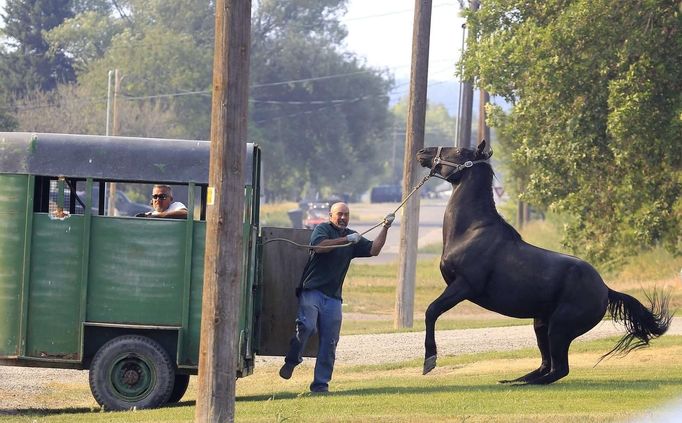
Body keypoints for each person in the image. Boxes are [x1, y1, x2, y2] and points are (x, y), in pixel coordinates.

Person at [279, 202, 395, 393]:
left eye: (346, 215)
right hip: (312, 290)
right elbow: (319, 247)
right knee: (306, 326)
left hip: (333, 297)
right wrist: (345, 240)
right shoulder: (323, 229)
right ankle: (292, 361)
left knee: (330, 341)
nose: (343, 218)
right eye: (339, 214)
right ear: (330, 215)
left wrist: (385, 227)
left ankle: (320, 386)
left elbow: (374, 250)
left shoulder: (352, 236)